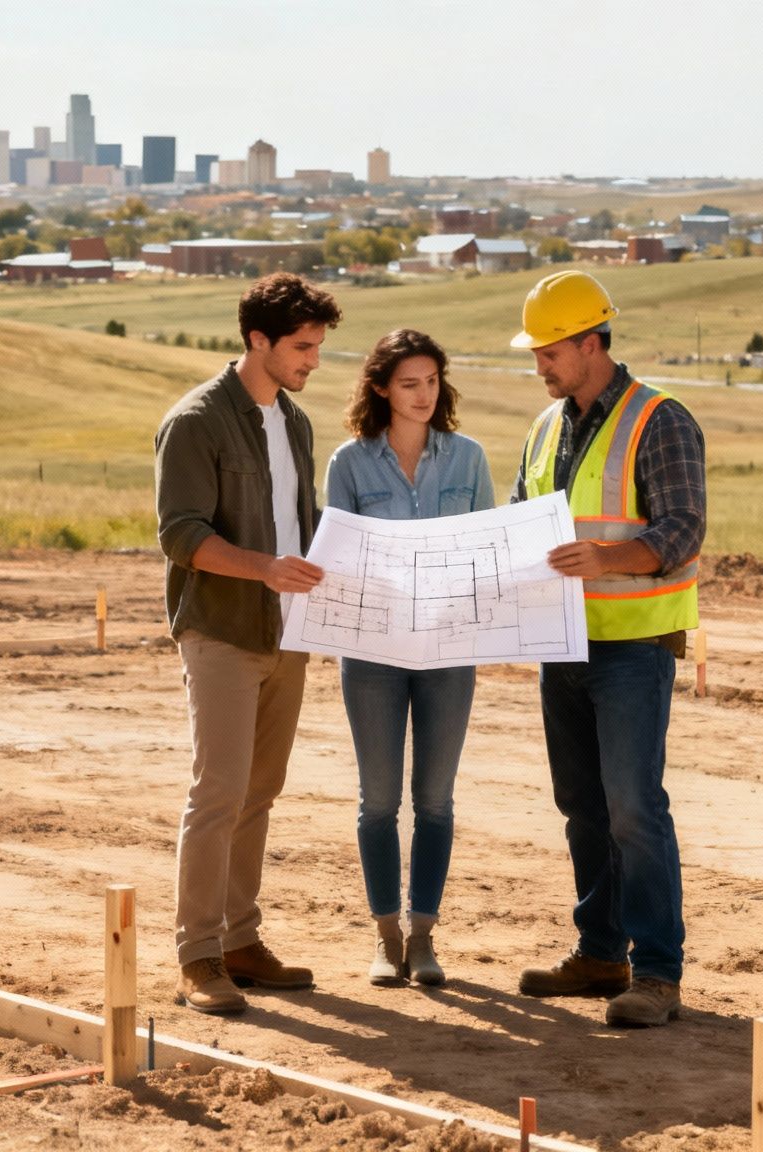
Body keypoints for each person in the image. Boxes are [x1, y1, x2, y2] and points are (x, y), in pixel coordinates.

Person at [507, 271, 706, 1028]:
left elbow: (684, 528)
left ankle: (656, 973)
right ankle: (600, 954)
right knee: (583, 808)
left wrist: (607, 560)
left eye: (550, 351)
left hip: (632, 646)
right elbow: (525, 522)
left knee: (633, 809)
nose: (541, 366)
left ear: (593, 343)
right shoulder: (545, 427)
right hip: (562, 644)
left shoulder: (660, 419)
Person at [154, 271, 342, 1015]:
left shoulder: (294, 423)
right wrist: (263, 567)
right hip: (223, 631)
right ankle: (197, 956)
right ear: (258, 340)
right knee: (219, 791)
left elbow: (305, 521)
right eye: (302, 347)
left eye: (319, 346)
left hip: (290, 635)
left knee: (260, 793)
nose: (313, 360)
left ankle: (240, 938)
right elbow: (181, 535)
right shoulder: (196, 421)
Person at [323, 330, 495, 989]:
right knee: (378, 801)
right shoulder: (349, 464)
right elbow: (337, 560)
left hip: (450, 652)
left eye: (432, 382)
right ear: (380, 390)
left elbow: (487, 550)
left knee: (436, 801)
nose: (424, 396)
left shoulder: (469, 458)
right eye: (409, 384)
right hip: (371, 654)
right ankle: (385, 937)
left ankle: (424, 938)